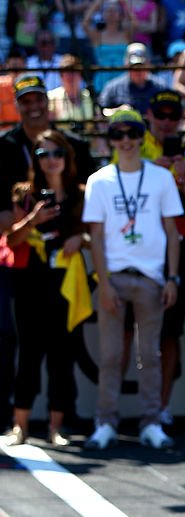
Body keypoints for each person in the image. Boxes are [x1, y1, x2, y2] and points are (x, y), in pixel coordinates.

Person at [82, 108, 183, 450]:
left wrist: (172, 277)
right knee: (110, 354)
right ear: (110, 140)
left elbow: (172, 231)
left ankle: (151, 422)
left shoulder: (161, 177)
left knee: (150, 355)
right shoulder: (99, 180)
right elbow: (95, 236)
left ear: (142, 138)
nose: (125, 141)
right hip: (113, 278)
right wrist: (104, 283)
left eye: (131, 134)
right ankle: (105, 422)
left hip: (152, 277)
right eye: (118, 135)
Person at [3, 130, 90, 446]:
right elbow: (11, 240)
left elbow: (92, 233)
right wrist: (33, 220)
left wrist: (81, 238)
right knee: (28, 355)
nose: (51, 160)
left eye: (56, 154)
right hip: (30, 284)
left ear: (66, 158)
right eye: (43, 155)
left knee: (61, 356)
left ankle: (56, 428)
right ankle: (20, 426)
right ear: (35, 160)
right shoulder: (24, 194)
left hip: (65, 285)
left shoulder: (80, 194)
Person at [137, 90, 185, 427]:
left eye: (173, 116)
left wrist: (183, 179)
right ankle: (137, 405)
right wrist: (150, 171)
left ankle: (161, 405)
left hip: (179, 252)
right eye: (160, 115)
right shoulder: (132, 149)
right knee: (134, 331)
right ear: (150, 116)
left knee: (169, 332)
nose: (166, 123)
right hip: (138, 249)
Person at [97, 43, 167, 115]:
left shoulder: (160, 87)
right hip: (123, 125)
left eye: (141, 66)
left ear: (149, 65)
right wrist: (118, 111)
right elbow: (101, 111)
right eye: (133, 67)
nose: (138, 71)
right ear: (126, 65)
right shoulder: (113, 87)